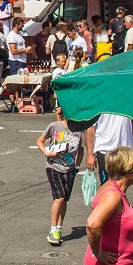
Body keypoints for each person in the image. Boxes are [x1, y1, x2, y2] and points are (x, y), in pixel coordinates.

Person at [36, 101, 81, 247]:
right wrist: (47, 153)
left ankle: (59, 228)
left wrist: (77, 166)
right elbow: (40, 141)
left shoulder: (79, 130)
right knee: (59, 198)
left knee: (64, 200)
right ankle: (53, 229)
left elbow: (81, 150)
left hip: (70, 168)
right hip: (53, 166)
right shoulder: (55, 126)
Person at [86, 112, 133, 183]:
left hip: (125, 151)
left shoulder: (129, 101)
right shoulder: (99, 102)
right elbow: (90, 128)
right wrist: (90, 154)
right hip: (105, 151)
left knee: (123, 183)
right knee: (107, 184)